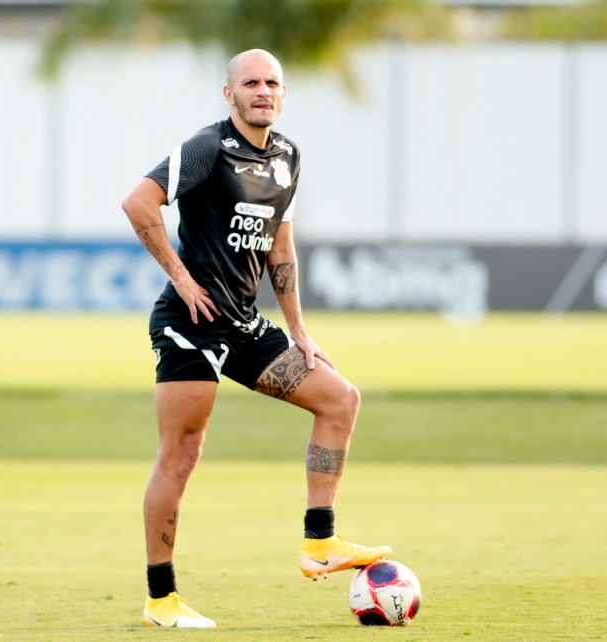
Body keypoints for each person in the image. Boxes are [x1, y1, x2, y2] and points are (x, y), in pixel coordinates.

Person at [121, 48, 391, 629]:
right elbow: (138, 202)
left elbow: (279, 247)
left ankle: (320, 543)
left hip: (243, 324)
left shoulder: (289, 157)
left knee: (340, 398)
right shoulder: (206, 148)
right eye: (251, 82)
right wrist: (182, 278)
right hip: (190, 323)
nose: (262, 90)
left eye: (272, 82)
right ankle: (161, 600)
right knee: (182, 454)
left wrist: (298, 330)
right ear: (230, 94)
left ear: (283, 93)